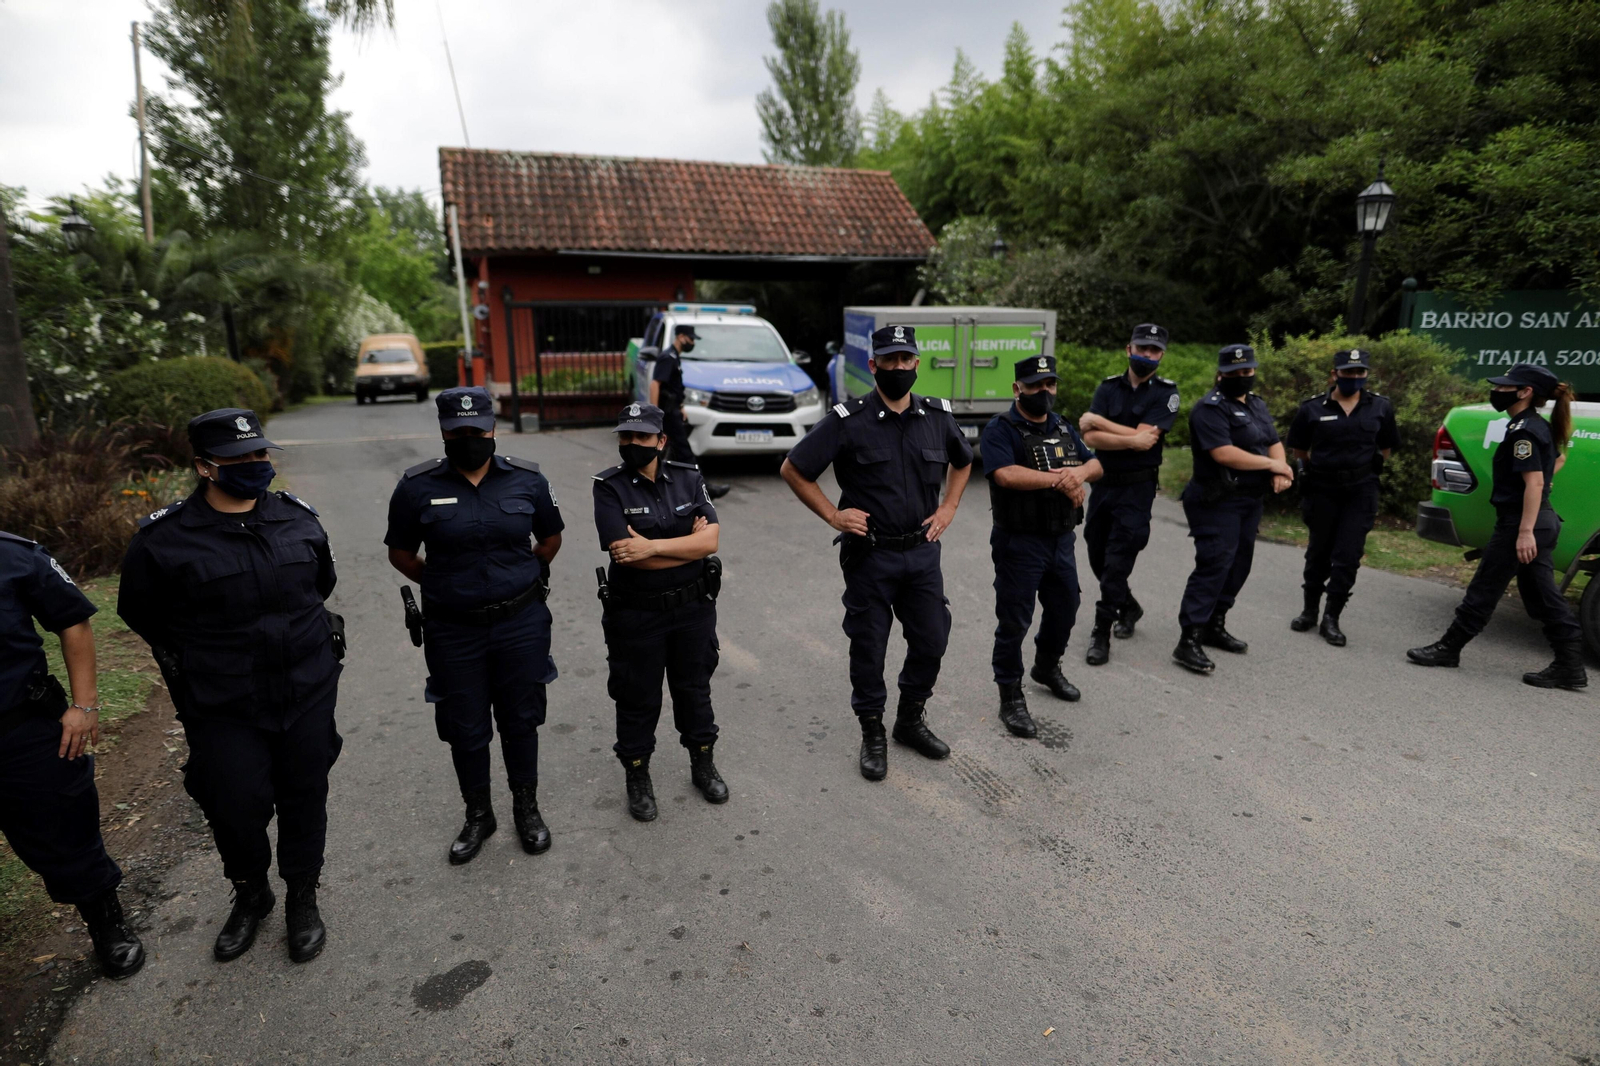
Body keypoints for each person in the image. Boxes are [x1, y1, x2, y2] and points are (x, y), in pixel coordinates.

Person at [120, 409, 343, 964]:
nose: (254, 465)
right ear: (203, 466)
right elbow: (142, 612)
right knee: (233, 802)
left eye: (260, 455)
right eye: (239, 459)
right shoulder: (163, 539)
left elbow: (321, 583)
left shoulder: (298, 519)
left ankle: (301, 895)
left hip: (307, 686)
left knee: (303, 792)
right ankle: (251, 891)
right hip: (223, 700)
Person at [780, 324, 974, 781]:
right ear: (874, 365)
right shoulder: (848, 420)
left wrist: (948, 506)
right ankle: (871, 731)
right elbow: (793, 469)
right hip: (870, 556)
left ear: (917, 363)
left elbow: (963, 462)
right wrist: (833, 515)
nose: (900, 368)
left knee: (932, 638)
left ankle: (909, 721)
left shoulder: (937, 416)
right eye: (890, 360)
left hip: (922, 553)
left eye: (907, 360)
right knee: (869, 647)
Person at [386, 387, 564, 863]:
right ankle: (479, 814)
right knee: (465, 726)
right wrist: (445, 583)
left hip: (520, 622)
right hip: (453, 630)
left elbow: (549, 539)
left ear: (492, 427)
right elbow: (401, 554)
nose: (470, 437)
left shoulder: (527, 479)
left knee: (521, 719)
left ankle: (526, 807)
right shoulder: (415, 487)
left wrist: (517, 577)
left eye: (478, 429)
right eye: (459, 430)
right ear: (443, 431)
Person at [1, 533, 144, 979]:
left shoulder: (12, 556)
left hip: (21, 733)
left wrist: (84, 706)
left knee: (66, 833)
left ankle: (107, 926)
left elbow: (73, 620)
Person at [1407, 365, 1587, 690]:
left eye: (1507, 387)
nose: (1498, 391)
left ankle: (1448, 649)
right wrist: (1536, 506)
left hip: (1523, 524)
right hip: (1540, 521)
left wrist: (1524, 531)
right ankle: (1570, 666)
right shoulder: (1534, 426)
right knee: (1543, 596)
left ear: (1525, 392)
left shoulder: (1523, 430)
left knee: (1485, 588)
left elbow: (1533, 482)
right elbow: (1554, 463)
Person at [592, 402, 727, 821]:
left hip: (692, 608)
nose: (632, 443)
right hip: (637, 614)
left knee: (694, 690)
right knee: (637, 698)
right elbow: (625, 556)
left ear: (661, 440)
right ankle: (637, 777)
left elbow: (711, 543)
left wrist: (651, 545)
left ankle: (702, 765)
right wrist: (683, 548)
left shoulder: (688, 478)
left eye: (642, 437)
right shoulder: (608, 486)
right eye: (625, 436)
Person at [981, 355, 1103, 737]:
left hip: (1060, 540)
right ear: (1018, 389)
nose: (1044, 392)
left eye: (1050, 384)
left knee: (1066, 608)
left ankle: (1047, 667)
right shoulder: (1002, 429)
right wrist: (1059, 481)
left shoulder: (1062, 425)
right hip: (1020, 541)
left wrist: (1078, 473)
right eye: (1036, 385)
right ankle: (1010, 695)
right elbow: (1005, 474)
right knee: (1014, 620)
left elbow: (1096, 465)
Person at [1172, 345, 1294, 674]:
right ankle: (1189, 638)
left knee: (1239, 564)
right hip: (1217, 498)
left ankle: (1215, 624)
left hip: (1249, 500)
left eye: (1248, 372)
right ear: (1221, 373)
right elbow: (1224, 453)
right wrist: (1272, 465)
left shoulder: (1255, 404)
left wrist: (1280, 469)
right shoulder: (1209, 409)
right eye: (1236, 373)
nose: (1243, 377)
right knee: (1215, 562)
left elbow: (1273, 441)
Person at [1078, 323, 1181, 665]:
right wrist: (1129, 439)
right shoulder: (1108, 388)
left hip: (1138, 489)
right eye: (1142, 348)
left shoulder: (1167, 393)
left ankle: (1101, 632)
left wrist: (1101, 422)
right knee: (1095, 552)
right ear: (1129, 349)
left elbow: (1146, 439)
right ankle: (1130, 606)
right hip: (1104, 483)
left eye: (1154, 351)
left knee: (1118, 559)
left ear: (1162, 355)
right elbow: (1090, 440)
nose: (1147, 355)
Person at [1284, 348, 1400, 645]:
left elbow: (1385, 448)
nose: (1354, 378)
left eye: (1360, 373)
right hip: (1322, 488)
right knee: (1319, 552)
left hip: (1361, 490)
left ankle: (1331, 618)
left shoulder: (1381, 407)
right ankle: (1310, 611)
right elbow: (1299, 449)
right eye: (1348, 372)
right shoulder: (1312, 408)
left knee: (1348, 556)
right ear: (1334, 374)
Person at [650, 324, 730, 500]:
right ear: (680, 336)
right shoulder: (667, 357)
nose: (692, 342)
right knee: (683, 453)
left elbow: (673, 386)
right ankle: (704, 491)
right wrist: (655, 413)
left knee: (671, 453)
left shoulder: (674, 357)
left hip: (673, 411)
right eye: (690, 338)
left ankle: (670, 489)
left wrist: (680, 407)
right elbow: (655, 384)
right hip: (667, 414)